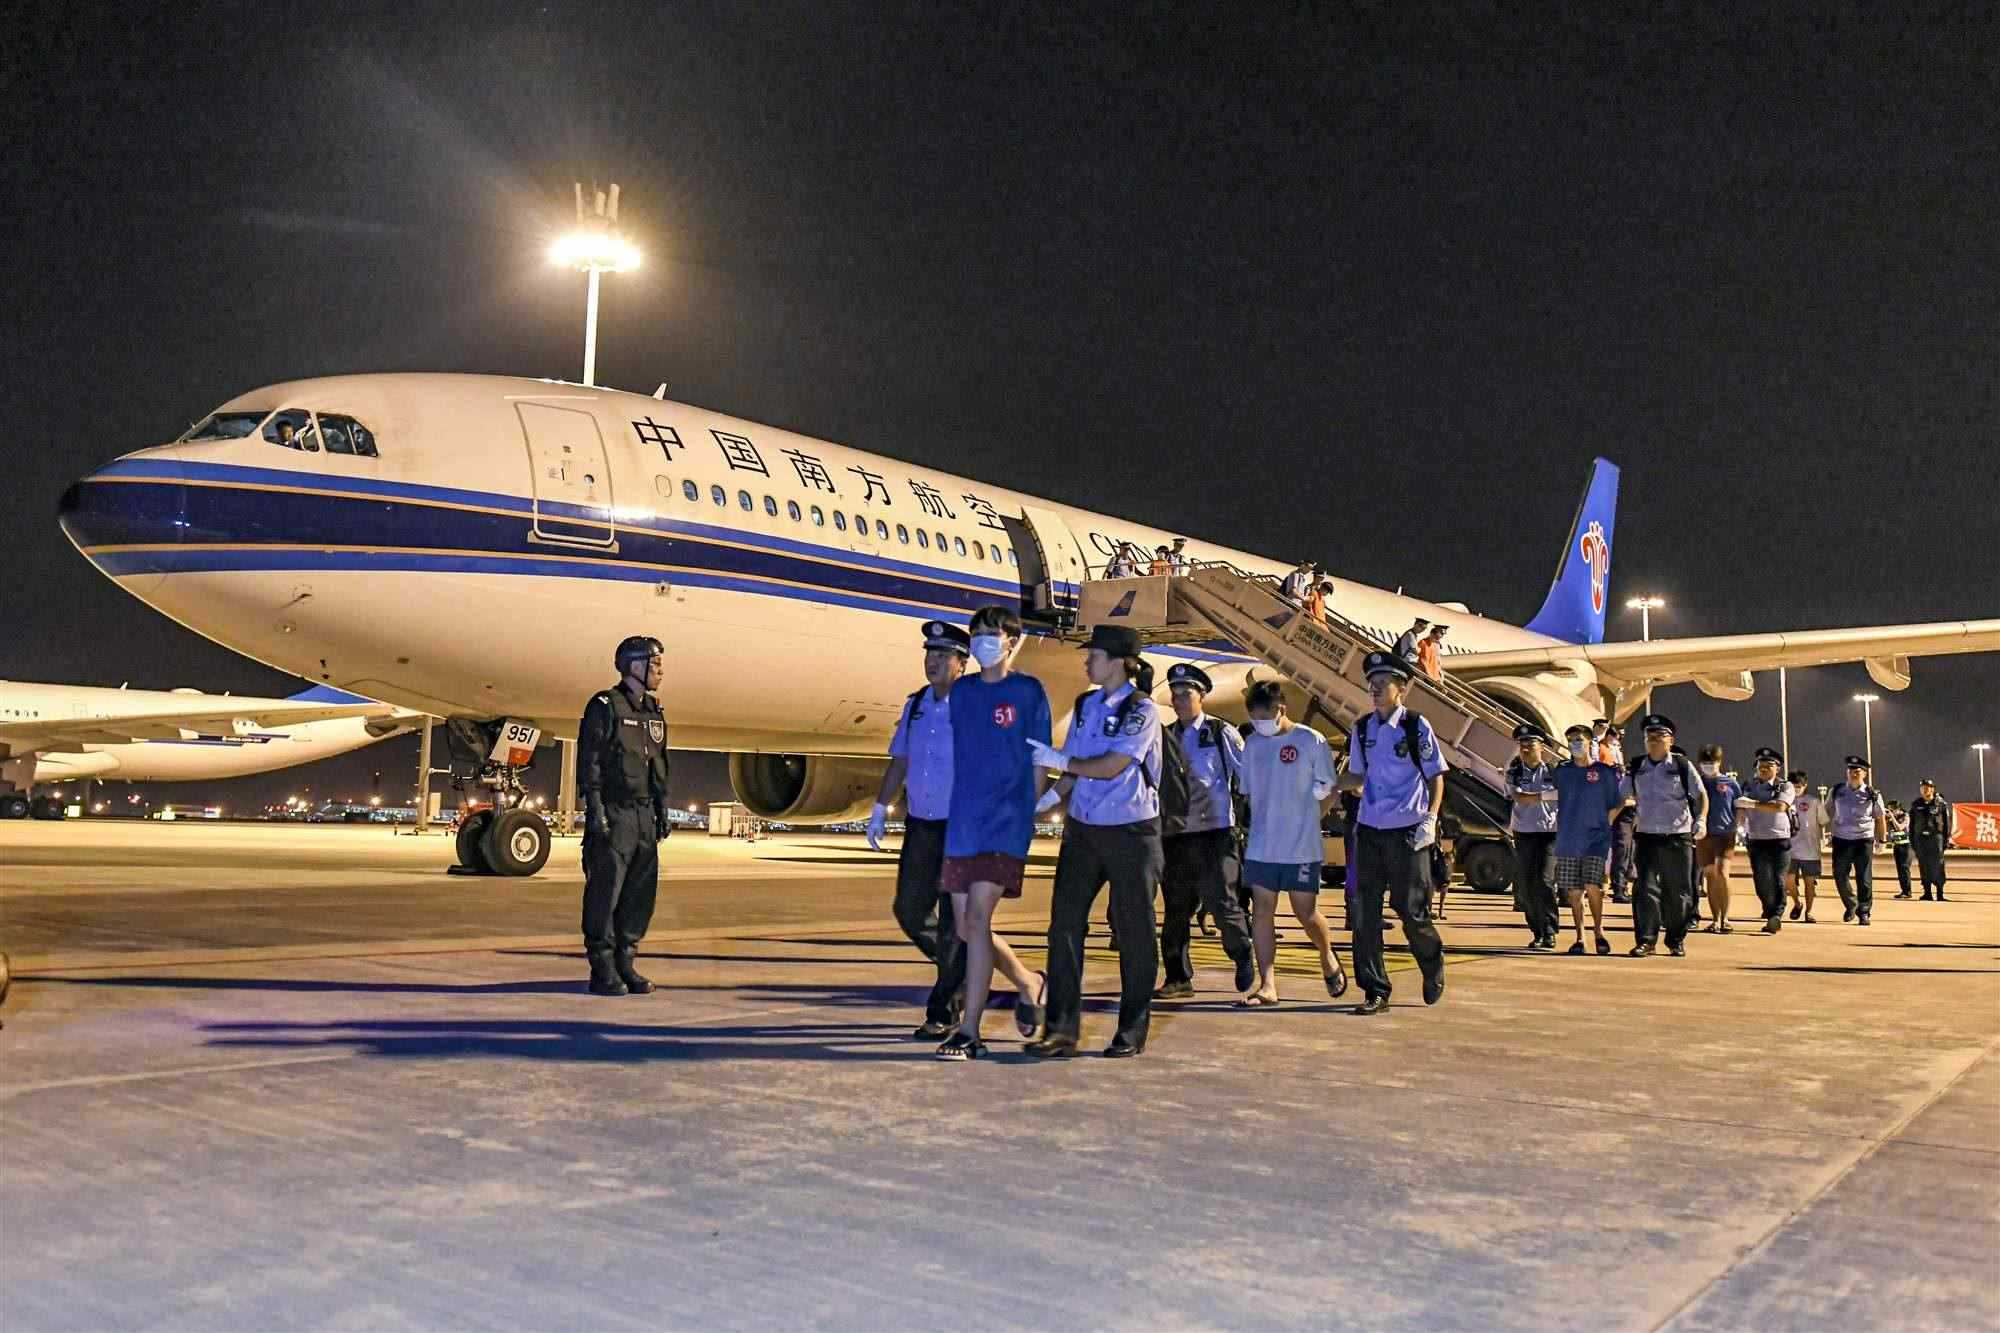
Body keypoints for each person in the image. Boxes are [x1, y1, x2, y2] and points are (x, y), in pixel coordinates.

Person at [1028, 624, 1165, 1058]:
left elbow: (1110, 766)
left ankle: (1131, 1030)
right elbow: (1076, 765)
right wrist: (1049, 798)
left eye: (1095, 656)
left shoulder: (1142, 710)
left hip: (1131, 832)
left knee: (1134, 932)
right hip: (1084, 829)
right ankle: (1061, 1030)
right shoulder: (1085, 705)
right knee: (1064, 927)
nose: (1087, 662)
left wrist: (1058, 760)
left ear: (1119, 662)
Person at [934, 604, 1053, 1060]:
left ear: (1012, 641)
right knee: (968, 928)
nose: (983, 640)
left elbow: (1040, 757)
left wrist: (1028, 810)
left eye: (992, 633)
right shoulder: (962, 693)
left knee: (979, 918)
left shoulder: (1028, 691)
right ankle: (1028, 981)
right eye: (977, 633)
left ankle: (970, 1030)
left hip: (1005, 821)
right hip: (964, 822)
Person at [867, 619, 971, 1039]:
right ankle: (959, 969)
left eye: (943, 655)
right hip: (922, 825)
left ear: (962, 664)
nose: (933, 662)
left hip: (960, 827)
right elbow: (901, 761)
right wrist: (880, 806)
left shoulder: (973, 707)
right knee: (909, 910)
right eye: (930, 654)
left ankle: (944, 1010)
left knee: (952, 924)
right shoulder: (916, 705)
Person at [1344, 651, 1449, 1014]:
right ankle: (1375, 990)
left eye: (1382, 683)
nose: (1374, 689)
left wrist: (1430, 819)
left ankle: (1432, 962)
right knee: (1364, 913)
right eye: (1371, 683)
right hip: (1370, 830)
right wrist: (1327, 785)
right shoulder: (1362, 729)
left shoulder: (1415, 726)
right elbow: (1357, 776)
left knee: (1411, 911)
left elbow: (1436, 776)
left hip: (1408, 831)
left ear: (1401, 688)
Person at [1235, 679, 1347, 1006]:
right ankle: (1267, 984)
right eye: (1254, 718)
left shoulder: (1310, 740)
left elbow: (1330, 789)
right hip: (1262, 845)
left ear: (1281, 709)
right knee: (1262, 912)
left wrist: (1311, 820)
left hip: (1301, 846)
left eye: (1263, 717)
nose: (1259, 724)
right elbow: (1248, 792)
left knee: (1305, 913)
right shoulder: (1253, 745)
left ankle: (1327, 954)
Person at [576, 634, 673, 996]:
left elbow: (659, 764)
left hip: (645, 815)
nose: (660, 671)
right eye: (655, 664)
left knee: (639, 894)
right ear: (635, 666)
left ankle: (626, 960)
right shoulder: (605, 706)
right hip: (615, 813)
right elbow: (591, 762)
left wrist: (662, 809)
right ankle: (602, 966)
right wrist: (595, 810)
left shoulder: (654, 711)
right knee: (606, 892)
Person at [1156, 664, 1253, 999]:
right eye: (1175, 694)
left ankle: (1242, 952)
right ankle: (1178, 977)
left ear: (1202, 696)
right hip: (1176, 834)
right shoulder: (1165, 736)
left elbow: (1247, 775)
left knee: (1222, 902)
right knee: (1176, 910)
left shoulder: (1220, 732)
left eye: (1186, 694)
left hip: (1216, 832)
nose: (1179, 700)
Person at [1626, 714, 1705, 958]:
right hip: (1647, 836)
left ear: (1671, 740)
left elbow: (1701, 794)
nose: (1653, 739)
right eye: (1649, 735)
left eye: (1659, 735)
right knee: (1644, 888)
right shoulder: (1636, 766)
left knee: (1678, 891)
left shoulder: (1681, 765)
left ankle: (1675, 939)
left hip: (1677, 836)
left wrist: (1701, 819)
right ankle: (1646, 940)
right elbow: (1622, 795)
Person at [1550, 723, 1626, 954]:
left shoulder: (1604, 772)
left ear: (1589, 742)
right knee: (1574, 892)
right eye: (1571, 741)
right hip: (1569, 838)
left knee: (1593, 886)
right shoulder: (1562, 771)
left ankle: (1599, 932)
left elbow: (1619, 801)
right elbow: (1549, 790)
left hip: (1595, 838)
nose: (1575, 744)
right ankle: (1580, 937)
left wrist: (1607, 821)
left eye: (1579, 740)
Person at [1506, 724, 1561, 950]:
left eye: (1531, 743)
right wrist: (1548, 795)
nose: (1526, 748)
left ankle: (1549, 930)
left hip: (1550, 833)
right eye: (1522, 744)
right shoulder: (1514, 772)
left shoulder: (1554, 771)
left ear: (1542, 747)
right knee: (1527, 885)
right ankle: (1537, 931)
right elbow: (1519, 797)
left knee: (1545, 881)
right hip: (1524, 833)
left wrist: (1537, 796)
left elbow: (1564, 794)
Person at [1738, 748, 1796, 933]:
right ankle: (1770, 910)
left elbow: (1779, 806)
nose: (1763, 768)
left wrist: (1752, 804)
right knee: (1761, 880)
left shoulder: (1785, 786)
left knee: (1778, 878)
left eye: (1768, 765)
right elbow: (1739, 807)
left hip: (1780, 839)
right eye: (1760, 765)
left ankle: (1775, 915)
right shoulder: (1748, 785)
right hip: (1757, 839)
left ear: (1777, 768)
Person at [1826, 756, 1887, 926]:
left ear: (1864, 774)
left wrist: (1882, 841)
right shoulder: (1837, 791)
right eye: (1850, 770)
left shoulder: (1872, 794)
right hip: (1841, 839)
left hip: (1863, 840)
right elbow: (1826, 812)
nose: (1853, 773)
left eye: (1857, 771)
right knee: (1839, 874)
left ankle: (1864, 911)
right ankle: (1851, 904)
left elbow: (1880, 818)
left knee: (1864, 877)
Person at [1695, 744, 1744, 934]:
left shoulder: (1730, 783)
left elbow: (1739, 806)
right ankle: (1715, 919)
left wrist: (1737, 825)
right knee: (1710, 875)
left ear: (1719, 762)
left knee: (1723, 872)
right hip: (1704, 835)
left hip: (1725, 834)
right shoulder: (1696, 782)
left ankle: (1726, 918)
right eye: (1705, 762)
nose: (1709, 766)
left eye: (1712, 762)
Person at [1595, 718, 1636, 903]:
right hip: (1613, 804)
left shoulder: (1616, 750)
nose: (1618, 738)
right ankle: (1617, 887)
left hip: (1624, 805)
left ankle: (1619, 885)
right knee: (1620, 847)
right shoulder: (1601, 748)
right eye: (1617, 734)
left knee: (1625, 849)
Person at [1786, 771, 1823, 922]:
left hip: (1810, 850)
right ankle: (1797, 903)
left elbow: (1823, 821)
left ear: (1805, 785)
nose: (1796, 789)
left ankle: (1809, 911)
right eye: (1793, 786)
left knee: (1809, 883)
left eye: (1799, 786)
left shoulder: (1814, 802)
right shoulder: (1784, 801)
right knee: (1788, 880)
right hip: (1789, 849)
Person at [1909, 779, 1954, 901]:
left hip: (1936, 838)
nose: (1925, 790)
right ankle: (1927, 892)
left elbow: (1946, 824)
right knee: (1923, 865)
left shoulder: (1941, 804)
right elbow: (1912, 824)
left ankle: (1940, 893)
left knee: (1938, 865)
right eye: (1923, 788)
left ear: (1932, 789)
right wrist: (1912, 840)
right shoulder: (1916, 804)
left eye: (1927, 788)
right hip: (1920, 839)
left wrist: (1946, 840)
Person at [1886, 800, 1914, 898]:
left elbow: (1900, 827)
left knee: (1904, 868)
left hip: (1906, 846)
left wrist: (1892, 817)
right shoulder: (1893, 818)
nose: (1890, 812)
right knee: (1900, 869)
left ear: (1898, 809)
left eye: (1892, 810)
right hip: (1897, 846)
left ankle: (1907, 892)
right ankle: (1904, 891)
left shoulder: (1906, 816)